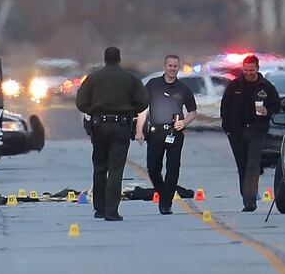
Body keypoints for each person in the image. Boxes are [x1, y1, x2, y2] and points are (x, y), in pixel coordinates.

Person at [76, 47, 149, 221]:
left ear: (105, 59)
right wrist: (130, 109)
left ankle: (99, 208)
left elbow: (80, 102)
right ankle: (111, 211)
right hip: (121, 126)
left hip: (99, 125)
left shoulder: (93, 78)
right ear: (119, 59)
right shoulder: (130, 78)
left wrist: (94, 110)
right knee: (116, 168)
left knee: (100, 166)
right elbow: (144, 101)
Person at [135, 55, 197, 215]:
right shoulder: (153, 85)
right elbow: (143, 109)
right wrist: (139, 130)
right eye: (170, 65)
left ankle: (166, 203)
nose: (172, 69)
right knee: (153, 168)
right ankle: (164, 193)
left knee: (173, 168)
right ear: (165, 66)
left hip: (175, 133)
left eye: (175, 66)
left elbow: (192, 112)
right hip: (155, 133)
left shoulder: (183, 88)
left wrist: (184, 123)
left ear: (178, 67)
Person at [220, 55, 280, 212]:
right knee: (243, 165)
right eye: (245, 70)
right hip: (236, 132)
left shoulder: (266, 87)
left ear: (257, 69)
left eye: (251, 70)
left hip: (257, 131)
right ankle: (246, 195)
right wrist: (227, 130)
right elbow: (224, 108)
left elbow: (276, 105)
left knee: (252, 164)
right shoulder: (234, 86)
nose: (248, 73)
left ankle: (250, 201)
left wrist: (268, 111)